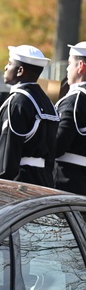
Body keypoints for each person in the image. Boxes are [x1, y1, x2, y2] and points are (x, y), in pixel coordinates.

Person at [0, 45, 59, 186]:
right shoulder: (47, 103)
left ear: (20, 71)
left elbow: (7, 159)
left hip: (20, 183)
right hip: (44, 181)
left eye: (9, 64)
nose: (5, 68)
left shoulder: (16, 103)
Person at [55, 42, 86, 193]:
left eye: (69, 64)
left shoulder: (75, 100)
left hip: (68, 181)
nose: (67, 69)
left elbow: (57, 144)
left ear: (80, 66)